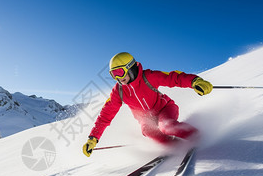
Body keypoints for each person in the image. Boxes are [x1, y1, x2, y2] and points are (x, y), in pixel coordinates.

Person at [82, 52, 213, 157]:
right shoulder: (119, 91)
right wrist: (93, 138)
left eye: (119, 73)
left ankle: (198, 137)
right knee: (147, 131)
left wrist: (195, 82)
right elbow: (106, 114)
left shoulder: (148, 77)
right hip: (146, 119)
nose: (117, 78)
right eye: (113, 74)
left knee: (167, 126)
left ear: (130, 68)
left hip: (165, 109)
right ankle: (175, 147)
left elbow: (173, 78)